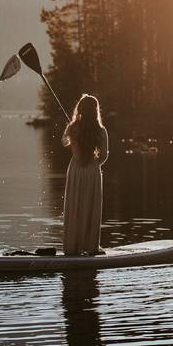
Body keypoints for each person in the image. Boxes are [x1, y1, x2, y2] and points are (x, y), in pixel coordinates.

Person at [61, 94, 109, 256]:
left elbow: (64, 142)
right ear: (95, 111)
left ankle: (72, 246)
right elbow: (104, 156)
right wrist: (94, 164)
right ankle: (90, 246)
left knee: (75, 205)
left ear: (80, 109)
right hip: (92, 171)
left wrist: (71, 128)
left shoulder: (73, 127)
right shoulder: (101, 131)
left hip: (75, 169)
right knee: (90, 207)